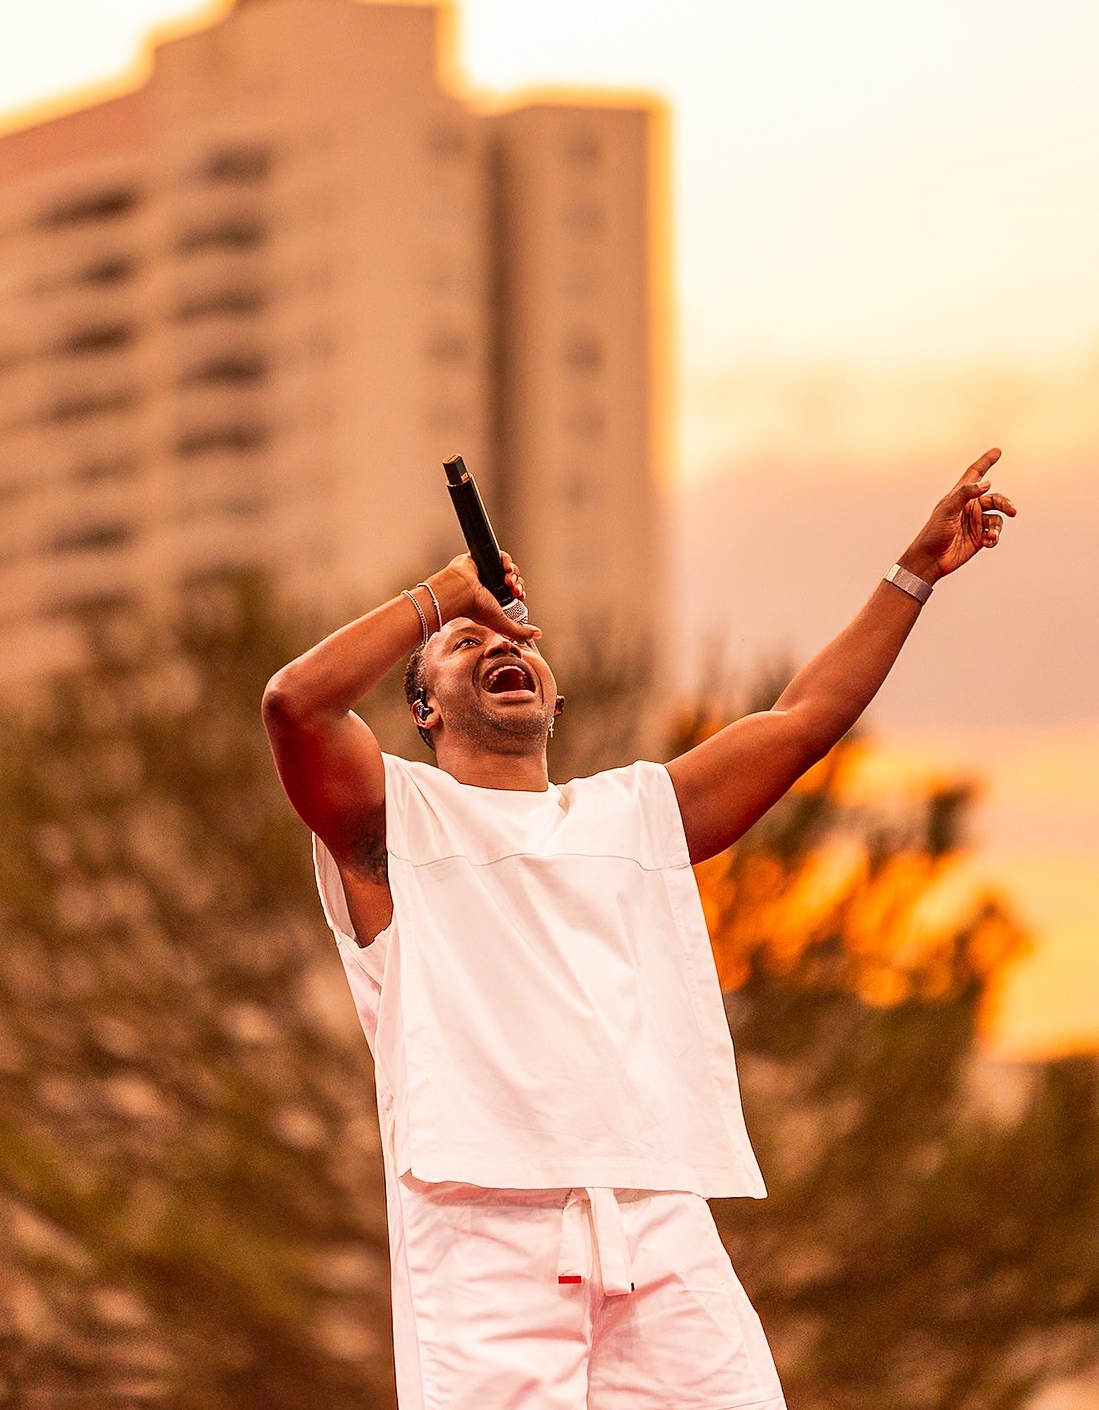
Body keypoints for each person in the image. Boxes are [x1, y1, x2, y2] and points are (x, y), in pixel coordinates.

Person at [262, 447, 1015, 1408]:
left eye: (517, 644)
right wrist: (444, 596)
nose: (501, 647)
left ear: (555, 698)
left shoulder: (631, 813)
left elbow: (800, 720)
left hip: (654, 1202)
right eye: (463, 647)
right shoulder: (388, 817)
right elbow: (294, 704)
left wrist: (913, 572)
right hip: (481, 1220)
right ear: (421, 710)